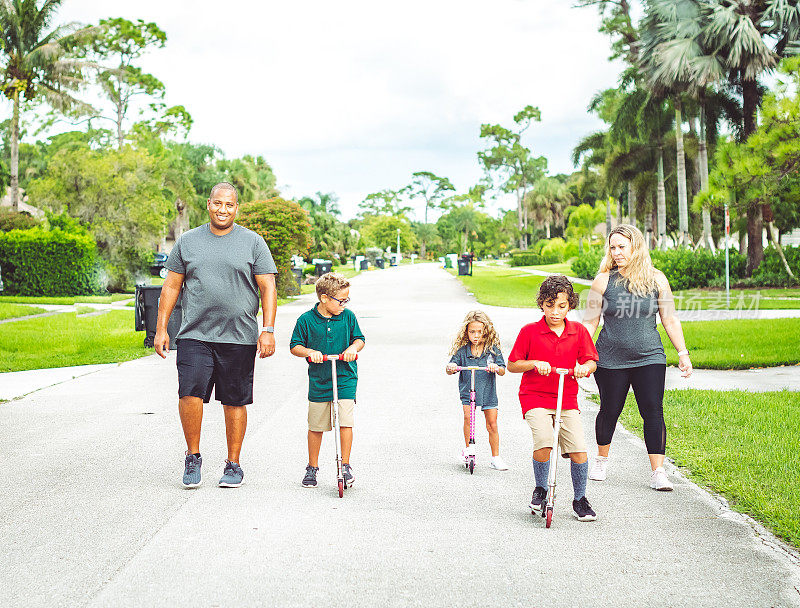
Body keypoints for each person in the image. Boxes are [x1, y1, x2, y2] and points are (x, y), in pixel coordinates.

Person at [154, 182, 277, 489]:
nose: (223, 210)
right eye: (218, 203)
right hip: (195, 333)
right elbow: (171, 286)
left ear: (237, 208)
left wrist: (269, 330)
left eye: (230, 205)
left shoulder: (253, 242)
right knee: (189, 394)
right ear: (208, 204)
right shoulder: (188, 241)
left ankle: (233, 464)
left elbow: (268, 287)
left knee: (235, 400)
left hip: (239, 336)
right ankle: (193, 457)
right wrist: (160, 329)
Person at [582, 224, 693, 491]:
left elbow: (669, 318)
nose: (617, 252)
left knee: (653, 412)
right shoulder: (603, 281)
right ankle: (601, 461)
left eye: (622, 246)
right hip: (609, 359)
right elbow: (590, 322)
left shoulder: (657, 279)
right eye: (613, 247)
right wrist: (582, 355)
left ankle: (658, 473)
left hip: (650, 357)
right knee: (610, 410)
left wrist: (682, 352)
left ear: (636, 246)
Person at [507, 275, 599, 521]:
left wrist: (584, 368)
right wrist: (534, 363)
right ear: (541, 304)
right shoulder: (530, 331)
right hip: (535, 396)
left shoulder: (578, 331)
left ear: (570, 305)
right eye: (549, 305)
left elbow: (592, 362)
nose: (555, 312)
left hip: (566, 398)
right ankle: (541, 488)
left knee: (579, 449)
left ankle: (580, 499)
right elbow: (513, 365)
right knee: (545, 441)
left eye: (561, 306)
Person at [290, 272, 365, 488]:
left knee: (345, 420)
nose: (344, 304)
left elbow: (359, 339)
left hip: (345, 377)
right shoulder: (306, 320)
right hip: (319, 379)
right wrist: (309, 352)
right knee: (316, 425)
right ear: (324, 298)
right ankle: (312, 467)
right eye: (341, 300)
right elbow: (295, 346)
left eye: (346, 300)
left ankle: (346, 465)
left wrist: (352, 348)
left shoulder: (348, 316)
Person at [445, 310, 508, 470]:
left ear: (486, 332)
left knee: (492, 423)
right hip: (468, 390)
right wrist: (451, 367)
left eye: (480, 332)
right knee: (468, 418)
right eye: (472, 332)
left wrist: (495, 367)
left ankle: (495, 457)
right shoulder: (463, 350)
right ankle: (468, 450)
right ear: (466, 332)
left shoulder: (492, 350)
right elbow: (450, 367)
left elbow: (502, 369)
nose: (476, 335)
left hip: (487, 391)